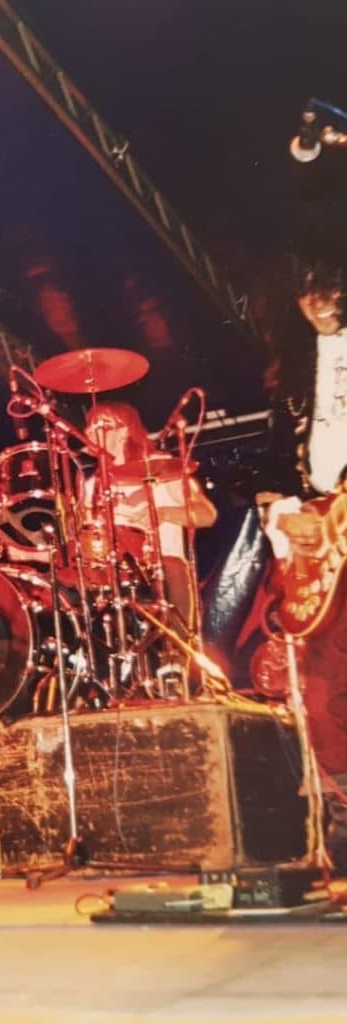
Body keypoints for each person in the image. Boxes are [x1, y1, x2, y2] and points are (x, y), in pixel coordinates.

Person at [258, 260, 347, 855]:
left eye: (331, 286)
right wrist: (286, 518)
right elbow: (270, 474)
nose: (318, 300)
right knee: (321, 690)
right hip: (321, 550)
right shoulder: (290, 382)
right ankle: (342, 817)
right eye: (307, 289)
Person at [83, 401, 217, 661]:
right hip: (114, 574)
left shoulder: (161, 467)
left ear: (124, 430)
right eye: (88, 426)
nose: (89, 432)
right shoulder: (92, 486)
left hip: (162, 567)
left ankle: (180, 658)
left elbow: (206, 514)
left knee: (172, 568)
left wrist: (163, 513)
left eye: (100, 425)